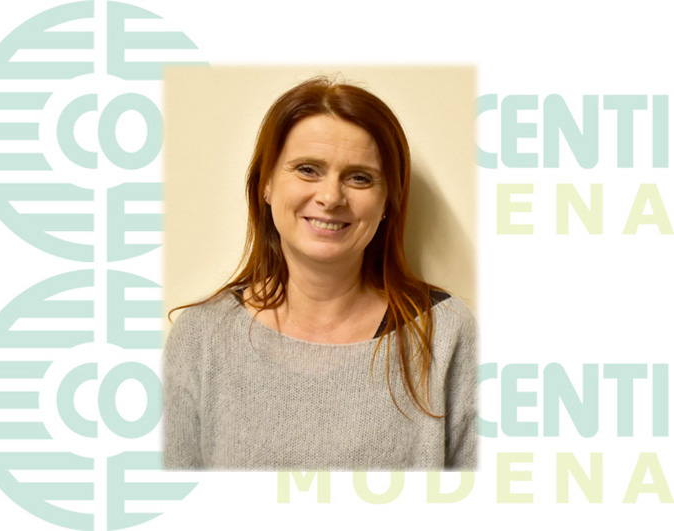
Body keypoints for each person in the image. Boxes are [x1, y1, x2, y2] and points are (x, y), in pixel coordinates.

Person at [163, 76, 476, 469]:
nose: (330, 197)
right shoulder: (202, 337)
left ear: (387, 202)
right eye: (308, 169)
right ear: (266, 184)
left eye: (360, 177)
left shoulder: (444, 333)